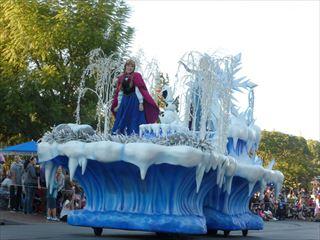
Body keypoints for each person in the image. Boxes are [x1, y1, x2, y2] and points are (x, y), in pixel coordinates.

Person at [111, 59, 159, 135]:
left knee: (134, 118)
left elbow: (139, 90)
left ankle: (135, 135)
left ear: (134, 68)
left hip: (134, 100)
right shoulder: (121, 77)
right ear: (125, 66)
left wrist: (141, 103)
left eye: (132, 66)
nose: (129, 68)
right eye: (128, 65)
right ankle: (119, 135)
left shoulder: (136, 76)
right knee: (122, 118)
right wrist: (118, 105)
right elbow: (120, 92)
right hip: (124, 101)